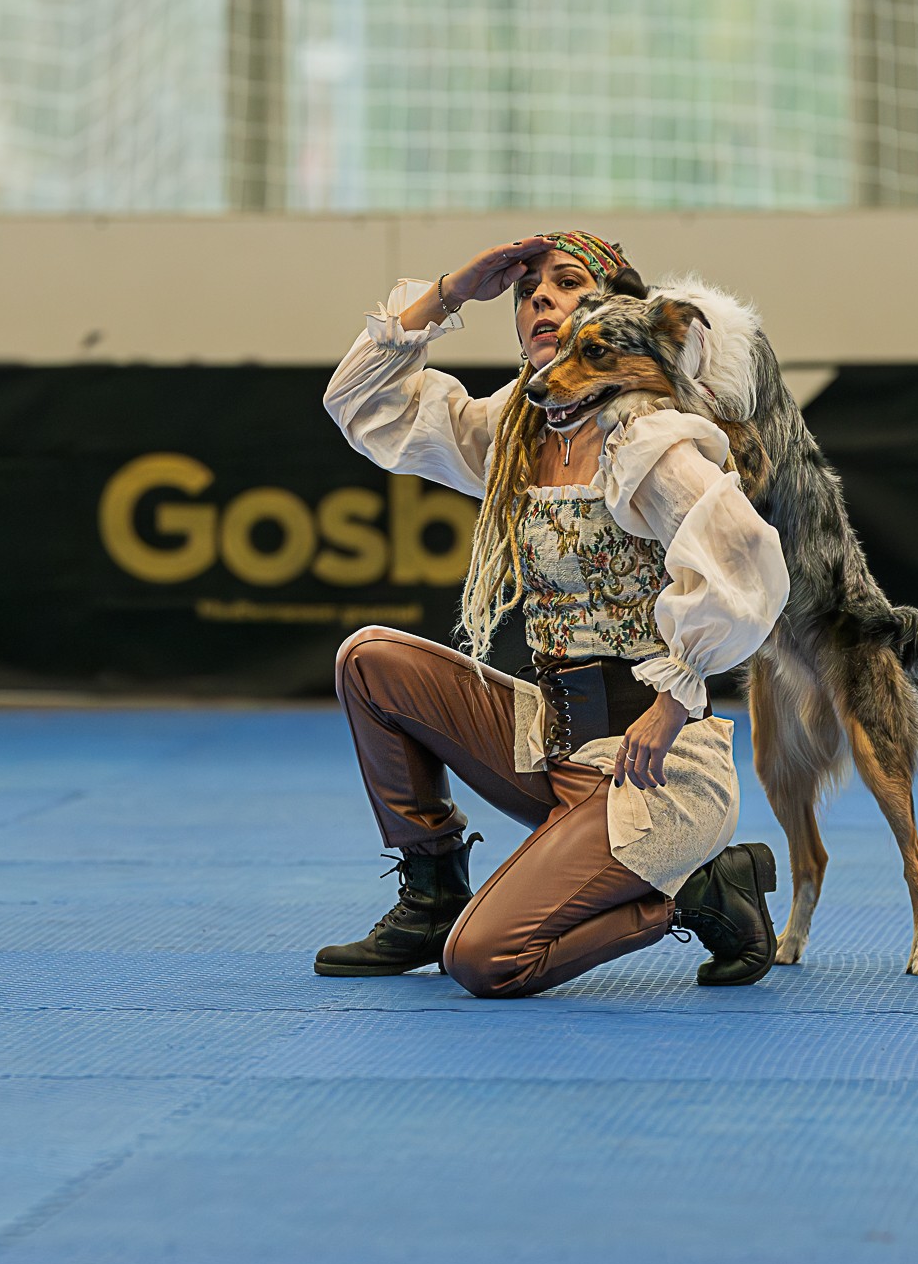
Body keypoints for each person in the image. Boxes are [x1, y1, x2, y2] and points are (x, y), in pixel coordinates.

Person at [317, 230, 791, 999]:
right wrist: (448, 292)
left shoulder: (650, 437)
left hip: (654, 772)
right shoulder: (515, 427)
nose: (539, 296)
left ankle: (694, 891)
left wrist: (675, 699)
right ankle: (431, 895)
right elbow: (361, 405)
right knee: (370, 660)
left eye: (567, 283)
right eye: (525, 289)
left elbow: (747, 564)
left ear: (614, 313)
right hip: (553, 745)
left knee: (483, 962)